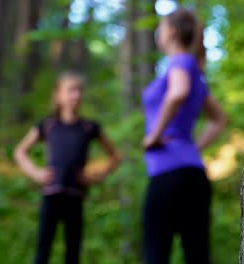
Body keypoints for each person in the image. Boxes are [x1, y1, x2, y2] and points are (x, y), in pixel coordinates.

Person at [141, 7, 227, 264]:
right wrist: (193, 148)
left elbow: (177, 93)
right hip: (193, 174)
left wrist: (154, 136)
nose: (159, 31)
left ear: (172, 32)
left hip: (168, 175)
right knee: (197, 254)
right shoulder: (195, 73)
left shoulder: (179, 63)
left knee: (156, 255)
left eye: (162, 26)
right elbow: (219, 120)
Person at [14, 72, 121, 264]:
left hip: (75, 196)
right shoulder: (48, 126)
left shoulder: (89, 127)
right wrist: (36, 173)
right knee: (42, 250)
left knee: (73, 252)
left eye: (79, 91)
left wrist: (96, 176)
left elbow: (115, 156)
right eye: (71, 90)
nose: (76, 95)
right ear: (58, 94)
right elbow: (20, 152)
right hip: (51, 195)